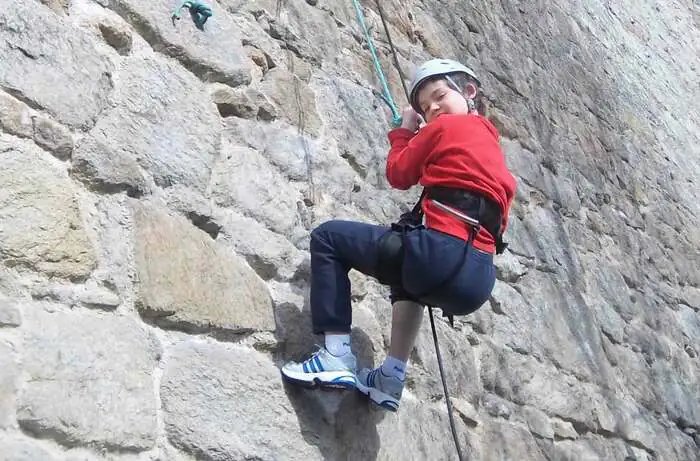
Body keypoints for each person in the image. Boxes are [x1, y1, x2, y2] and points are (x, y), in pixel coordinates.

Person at [281, 59, 517, 412]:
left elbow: (398, 173)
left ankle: (335, 356)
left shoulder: (443, 129)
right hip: (476, 282)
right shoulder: (496, 156)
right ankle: (391, 375)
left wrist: (406, 130)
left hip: (438, 257)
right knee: (408, 281)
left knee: (329, 238)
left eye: (439, 96)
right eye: (424, 107)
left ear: (469, 92)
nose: (433, 108)